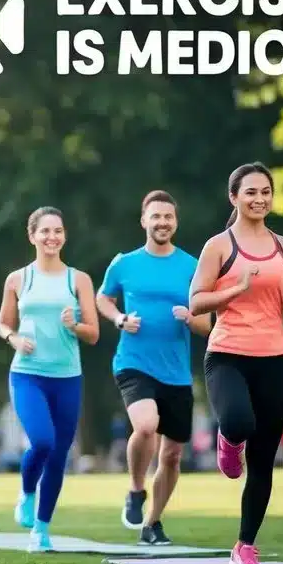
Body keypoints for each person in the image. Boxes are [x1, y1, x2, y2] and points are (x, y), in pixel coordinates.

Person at [190, 162, 283, 564]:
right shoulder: (219, 247)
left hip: (274, 357)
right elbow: (196, 301)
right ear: (234, 197)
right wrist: (235, 289)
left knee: (263, 460)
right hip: (226, 354)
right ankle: (228, 439)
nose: (260, 200)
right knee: (238, 420)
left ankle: (245, 546)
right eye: (251, 193)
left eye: (265, 193)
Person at [96, 190, 211, 545]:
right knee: (146, 426)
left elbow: (207, 325)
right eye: (156, 216)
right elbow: (104, 298)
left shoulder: (192, 266)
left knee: (173, 454)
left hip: (175, 371)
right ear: (144, 221)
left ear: (175, 223)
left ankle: (153, 523)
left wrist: (191, 318)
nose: (162, 222)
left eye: (168, 217)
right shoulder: (124, 263)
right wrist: (118, 319)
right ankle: (135, 488)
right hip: (134, 362)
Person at [0, 207, 96, 552]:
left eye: (58, 231)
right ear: (33, 236)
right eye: (45, 231)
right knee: (41, 441)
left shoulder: (78, 280)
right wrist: (14, 339)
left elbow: (94, 334)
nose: (52, 237)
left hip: (68, 377)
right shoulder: (18, 279)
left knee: (58, 455)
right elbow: (3, 325)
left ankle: (41, 528)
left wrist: (74, 326)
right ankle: (26, 492)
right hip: (27, 374)